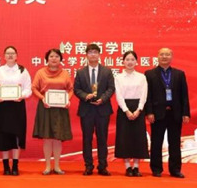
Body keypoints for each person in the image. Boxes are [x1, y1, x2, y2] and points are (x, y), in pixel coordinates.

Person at [145, 47, 191, 178]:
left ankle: (175, 169)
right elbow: (147, 95)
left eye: (167, 54)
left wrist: (186, 113)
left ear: (171, 57)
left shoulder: (179, 74)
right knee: (156, 142)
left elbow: (184, 95)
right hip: (157, 113)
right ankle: (156, 169)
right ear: (157, 56)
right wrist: (149, 112)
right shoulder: (149, 74)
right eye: (162, 54)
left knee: (175, 143)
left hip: (175, 113)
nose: (164, 57)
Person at [74, 43, 115, 176]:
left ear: (99, 55)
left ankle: (102, 166)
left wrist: (102, 99)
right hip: (86, 110)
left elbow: (111, 88)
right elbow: (76, 89)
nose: (93, 55)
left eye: (95, 52)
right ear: (86, 55)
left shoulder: (107, 71)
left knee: (102, 138)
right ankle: (88, 166)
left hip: (102, 109)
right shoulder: (80, 72)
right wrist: (86, 96)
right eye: (90, 52)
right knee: (87, 139)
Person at [32, 48, 73, 175]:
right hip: (46, 107)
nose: (54, 58)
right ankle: (47, 166)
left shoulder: (65, 73)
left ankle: (57, 166)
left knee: (58, 138)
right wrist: (42, 98)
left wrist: (68, 99)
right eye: (51, 56)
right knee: (47, 138)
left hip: (60, 108)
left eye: (56, 56)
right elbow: (34, 88)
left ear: (60, 59)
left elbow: (70, 89)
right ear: (47, 59)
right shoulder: (40, 72)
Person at [0, 45, 31, 175]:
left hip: (17, 106)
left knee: (16, 136)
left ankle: (15, 165)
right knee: (3, 136)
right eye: (8, 53)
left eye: (12, 53)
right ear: (4, 56)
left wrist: (22, 96)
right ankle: (5, 166)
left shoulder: (22, 70)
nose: (10, 55)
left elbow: (28, 88)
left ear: (16, 56)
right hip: (2, 106)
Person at [114, 50, 149, 176]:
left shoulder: (141, 77)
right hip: (124, 109)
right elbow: (119, 95)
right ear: (123, 62)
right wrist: (126, 110)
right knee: (124, 137)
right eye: (127, 59)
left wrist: (139, 109)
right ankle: (128, 166)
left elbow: (144, 94)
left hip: (138, 109)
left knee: (138, 137)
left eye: (132, 59)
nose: (130, 62)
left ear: (136, 61)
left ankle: (136, 167)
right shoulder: (118, 77)